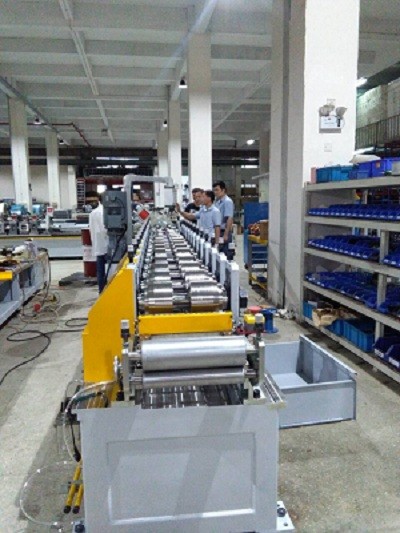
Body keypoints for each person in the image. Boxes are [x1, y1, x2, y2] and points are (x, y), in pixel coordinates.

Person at [89, 193, 108, 293]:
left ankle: (101, 292)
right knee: (108, 271)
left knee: (100, 272)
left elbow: (90, 229)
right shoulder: (102, 212)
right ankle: (106, 293)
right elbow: (104, 229)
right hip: (105, 246)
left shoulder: (93, 212)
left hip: (98, 245)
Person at [213, 180, 235, 259]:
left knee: (226, 255)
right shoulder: (217, 202)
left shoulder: (227, 201)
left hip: (224, 232)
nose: (215, 192)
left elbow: (229, 218)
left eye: (217, 190)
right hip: (218, 232)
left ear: (223, 190)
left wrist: (226, 234)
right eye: (214, 190)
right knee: (219, 255)